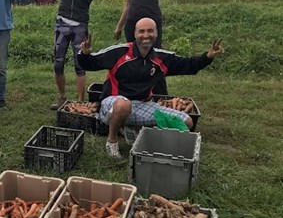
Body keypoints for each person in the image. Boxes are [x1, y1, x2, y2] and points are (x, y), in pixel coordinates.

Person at [78, 18, 224, 157]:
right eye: (141, 31)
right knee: (123, 105)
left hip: (143, 104)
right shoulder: (119, 52)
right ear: (135, 34)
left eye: (150, 31)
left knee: (187, 121)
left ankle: (138, 132)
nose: (146, 35)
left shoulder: (161, 58)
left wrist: (208, 57)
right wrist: (84, 54)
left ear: (156, 33)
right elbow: (92, 63)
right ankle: (112, 141)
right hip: (113, 104)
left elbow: (188, 64)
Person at [50, 0, 103, 109]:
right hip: (62, 25)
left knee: (79, 64)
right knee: (58, 62)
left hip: (80, 27)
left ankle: (80, 101)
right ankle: (62, 97)